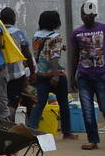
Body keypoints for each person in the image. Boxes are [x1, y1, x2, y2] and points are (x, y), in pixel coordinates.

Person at [68, 3, 105, 149]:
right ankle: (93, 140)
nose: (86, 16)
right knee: (87, 110)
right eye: (83, 14)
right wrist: (72, 76)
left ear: (95, 14)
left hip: (102, 75)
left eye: (89, 14)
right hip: (84, 77)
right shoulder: (76, 33)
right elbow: (74, 55)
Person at [27, 10, 76, 140]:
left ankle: (31, 128)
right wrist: (55, 75)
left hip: (41, 74)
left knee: (40, 103)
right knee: (63, 103)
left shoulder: (36, 36)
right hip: (56, 74)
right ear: (55, 22)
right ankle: (67, 132)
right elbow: (54, 56)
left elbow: (43, 53)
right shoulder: (56, 36)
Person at [0, 7, 33, 114]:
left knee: (2, 102)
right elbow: (27, 53)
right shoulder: (19, 33)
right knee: (12, 103)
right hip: (17, 73)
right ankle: (11, 127)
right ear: (14, 19)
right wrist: (32, 71)